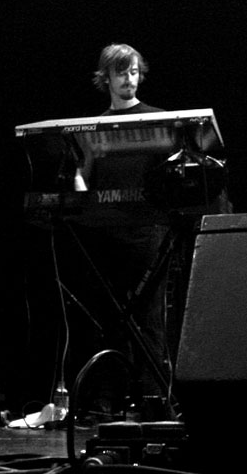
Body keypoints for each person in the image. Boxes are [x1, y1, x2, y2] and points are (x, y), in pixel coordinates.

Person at [68, 43, 175, 421]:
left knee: (148, 317)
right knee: (109, 318)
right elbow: (83, 173)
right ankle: (107, 401)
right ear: (107, 78)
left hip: (147, 230)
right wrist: (81, 198)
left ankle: (153, 399)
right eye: (121, 73)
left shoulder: (159, 119)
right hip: (106, 230)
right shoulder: (95, 127)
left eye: (133, 72)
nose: (129, 80)